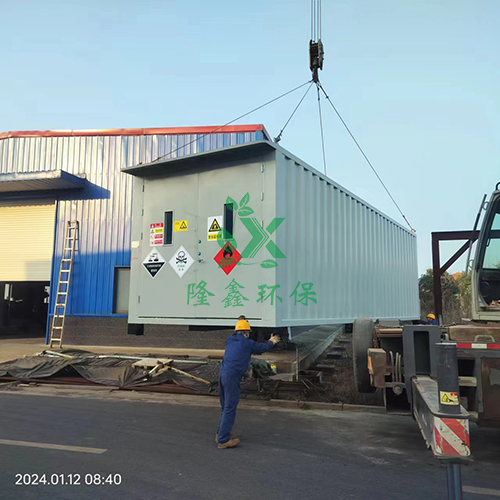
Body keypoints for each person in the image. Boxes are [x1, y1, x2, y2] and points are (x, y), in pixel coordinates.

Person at [216, 318, 280, 449]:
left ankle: (221, 433)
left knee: (225, 406)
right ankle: (223, 440)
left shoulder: (230, 340)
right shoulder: (247, 343)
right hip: (232, 377)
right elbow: (260, 348)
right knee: (230, 408)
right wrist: (272, 342)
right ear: (246, 333)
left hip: (222, 375)